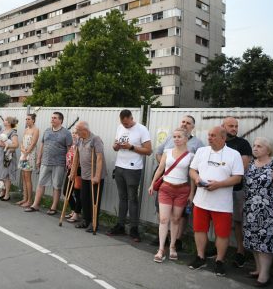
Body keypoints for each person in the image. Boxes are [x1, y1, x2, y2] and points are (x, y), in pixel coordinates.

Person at [187, 126, 244, 277]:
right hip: (201, 200)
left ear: (223, 138)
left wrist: (218, 184)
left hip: (222, 204)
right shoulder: (202, 151)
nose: (209, 138)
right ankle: (200, 257)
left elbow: (238, 177)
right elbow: (192, 170)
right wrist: (197, 178)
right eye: (209, 135)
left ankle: (219, 261)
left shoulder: (234, 154)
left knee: (222, 234)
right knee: (199, 230)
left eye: (213, 135)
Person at [243, 137, 273, 287]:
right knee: (253, 242)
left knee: (264, 244)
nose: (255, 148)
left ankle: (264, 275)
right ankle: (258, 269)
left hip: (267, 212)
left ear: (268, 150)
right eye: (254, 146)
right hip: (250, 210)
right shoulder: (251, 164)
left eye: (259, 146)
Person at [153, 115, 204, 249]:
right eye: (183, 121)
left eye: (188, 123)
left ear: (193, 127)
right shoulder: (171, 138)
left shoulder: (198, 144)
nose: (184, 124)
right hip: (166, 181)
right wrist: (165, 166)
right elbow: (158, 152)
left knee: (179, 216)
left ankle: (176, 241)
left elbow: (199, 165)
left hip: (184, 185)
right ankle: (163, 239)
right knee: (161, 212)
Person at [148, 127, 194, 262]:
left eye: (179, 137)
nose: (176, 139)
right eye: (174, 137)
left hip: (182, 191)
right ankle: (161, 249)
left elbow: (192, 177)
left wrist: (192, 193)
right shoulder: (167, 152)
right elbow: (160, 169)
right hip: (166, 188)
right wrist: (152, 183)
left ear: (186, 138)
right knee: (163, 219)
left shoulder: (191, 155)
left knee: (175, 220)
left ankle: (172, 246)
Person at [108, 109, 152, 242]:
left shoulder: (142, 129)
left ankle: (134, 229)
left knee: (132, 199)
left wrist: (131, 147)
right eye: (123, 123)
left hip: (133, 169)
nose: (125, 126)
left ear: (131, 118)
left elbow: (149, 151)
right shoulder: (120, 127)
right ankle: (120, 225)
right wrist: (116, 146)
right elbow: (115, 146)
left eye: (127, 123)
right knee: (122, 197)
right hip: (120, 166)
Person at [25, 112, 72, 215]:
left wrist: (69, 164)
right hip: (45, 162)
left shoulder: (66, 133)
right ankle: (35, 205)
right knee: (41, 183)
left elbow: (69, 150)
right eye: (51, 118)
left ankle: (53, 207)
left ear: (60, 120)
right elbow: (42, 144)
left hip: (59, 163)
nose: (52, 119)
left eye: (54, 118)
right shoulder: (47, 131)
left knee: (56, 185)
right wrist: (39, 158)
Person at [222, 116, 253, 268]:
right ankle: (219, 249)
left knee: (238, 221)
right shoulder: (218, 143)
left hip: (236, 189)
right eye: (231, 125)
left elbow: (243, 166)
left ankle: (241, 252)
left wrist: (222, 176)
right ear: (223, 126)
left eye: (236, 126)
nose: (234, 128)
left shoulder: (243, 143)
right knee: (219, 219)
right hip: (218, 190)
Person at [70, 121, 106, 232]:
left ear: (84, 130)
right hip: (85, 174)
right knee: (83, 198)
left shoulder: (96, 139)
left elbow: (100, 158)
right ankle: (86, 220)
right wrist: (73, 172)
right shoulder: (80, 140)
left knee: (94, 200)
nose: (76, 132)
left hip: (95, 175)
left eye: (78, 130)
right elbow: (76, 156)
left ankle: (94, 223)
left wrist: (97, 176)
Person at [0, 117, 19, 200]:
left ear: (9, 123)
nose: (4, 121)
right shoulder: (2, 131)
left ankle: (7, 194)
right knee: (1, 174)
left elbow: (16, 145)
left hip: (8, 155)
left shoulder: (13, 132)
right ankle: (2, 192)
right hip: (1, 153)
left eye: (5, 120)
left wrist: (4, 145)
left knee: (7, 175)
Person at [17, 114, 39, 208]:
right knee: (23, 176)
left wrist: (26, 154)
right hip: (24, 154)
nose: (27, 120)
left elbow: (33, 143)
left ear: (33, 120)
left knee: (27, 177)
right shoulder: (26, 129)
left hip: (29, 155)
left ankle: (29, 200)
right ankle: (25, 198)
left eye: (29, 119)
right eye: (26, 119)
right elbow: (22, 141)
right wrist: (22, 149)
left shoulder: (36, 130)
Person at [63, 128, 81, 222]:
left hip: (78, 170)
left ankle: (76, 213)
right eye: (73, 133)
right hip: (70, 169)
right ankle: (74, 209)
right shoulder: (73, 145)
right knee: (66, 191)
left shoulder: (80, 145)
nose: (74, 135)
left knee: (78, 193)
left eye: (76, 133)